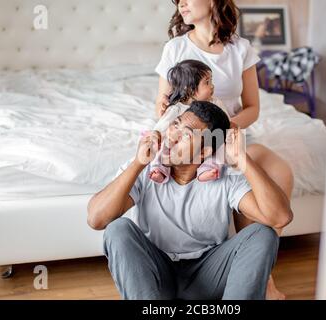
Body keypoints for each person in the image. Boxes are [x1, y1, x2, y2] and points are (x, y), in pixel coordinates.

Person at [154, 0, 293, 299]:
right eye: (178, 1)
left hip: (232, 133)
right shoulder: (175, 49)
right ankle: (251, 275)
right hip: (195, 139)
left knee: (279, 170)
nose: (182, 4)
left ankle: (260, 271)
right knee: (235, 175)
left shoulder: (240, 49)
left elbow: (253, 108)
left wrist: (227, 127)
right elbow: (162, 105)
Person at [87, 102, 293, 299]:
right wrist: (137, 164)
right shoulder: (145, 167)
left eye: (186, 134)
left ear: (204, 152)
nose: (172, 136)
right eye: (175, 124)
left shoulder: (225, 177)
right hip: (158, 273)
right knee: (118, 228)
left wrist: (242, 158)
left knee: (263, 234)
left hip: (206, 275)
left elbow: (279, 217)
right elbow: (96, 219)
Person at [148, 59, 229, 183]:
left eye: (211, 81)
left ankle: (209, 168)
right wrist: (156, 134)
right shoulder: (177, 108)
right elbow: (161, 127)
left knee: (219, 145)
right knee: (161, 146)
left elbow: (224, 121)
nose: (212, 86)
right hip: (181, 144)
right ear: (190, 90)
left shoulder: (215, 102)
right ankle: (158, 169)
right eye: (207, 82)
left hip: (207, 140)